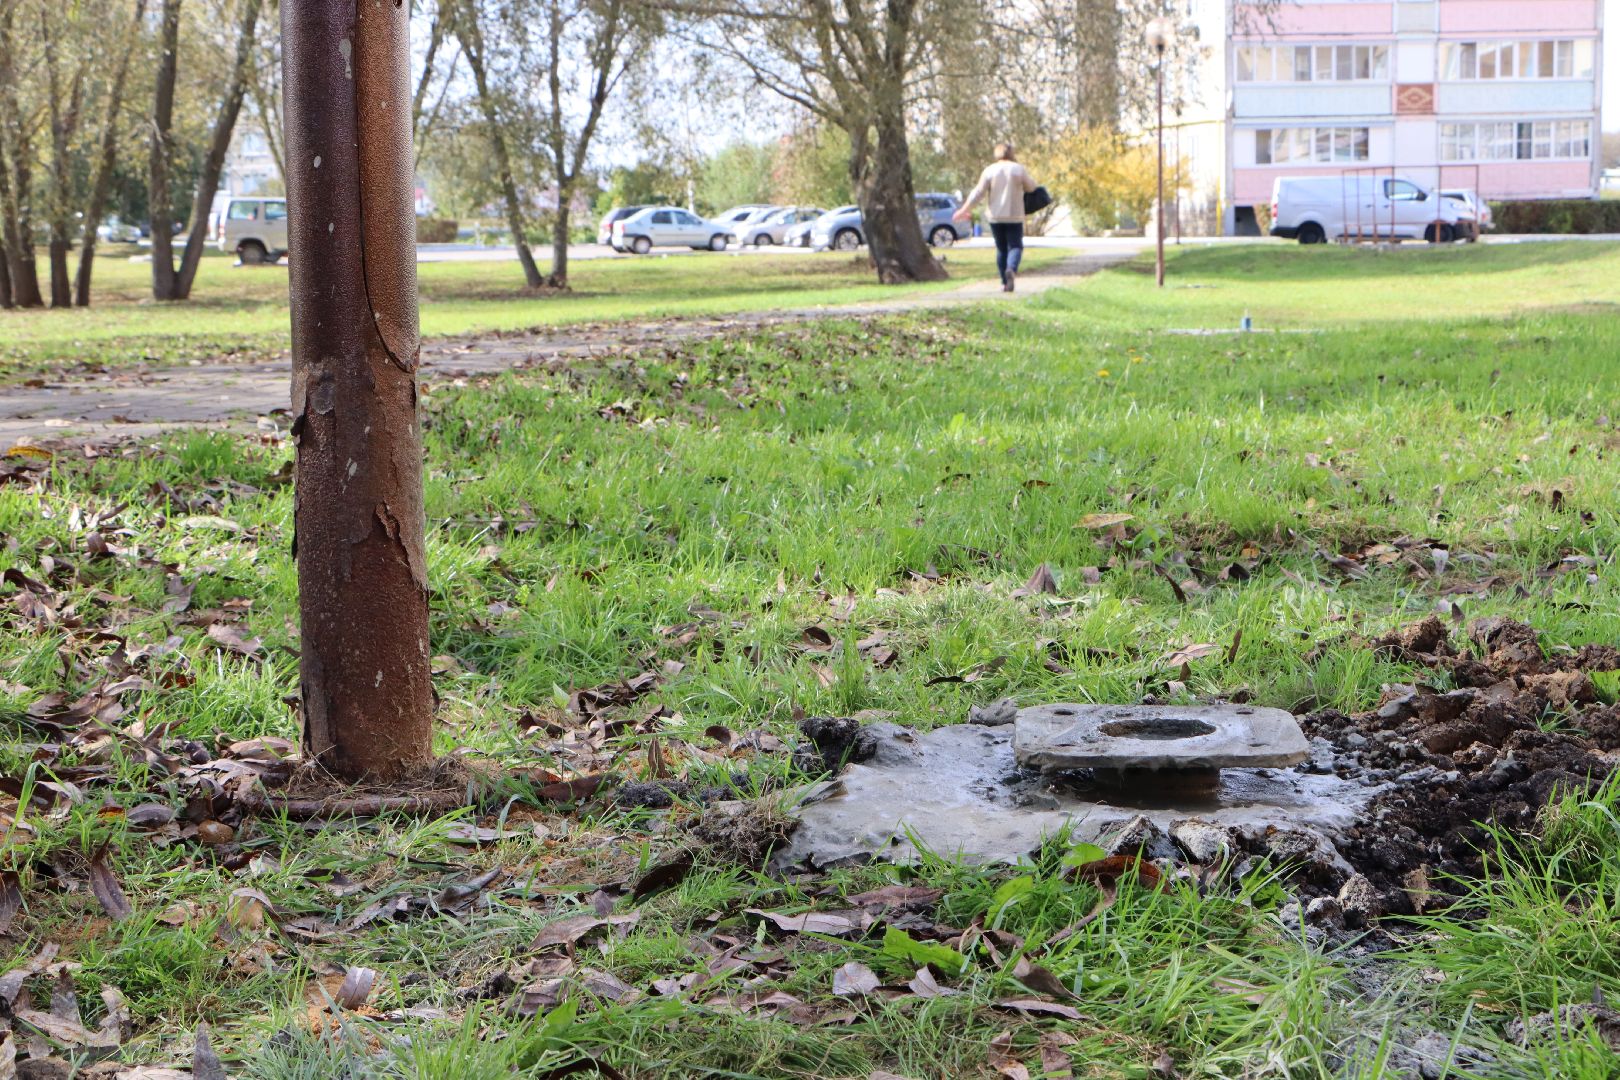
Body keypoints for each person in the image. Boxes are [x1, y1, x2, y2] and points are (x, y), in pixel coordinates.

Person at [953, 143, 1037, 292]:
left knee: (1001, 249)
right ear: (1011, 153)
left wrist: (964, 210)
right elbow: (1031, 187)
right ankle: (1011, 269)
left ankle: (1004, 283)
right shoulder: (1018, 169)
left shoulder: (989, 170)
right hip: (1014, 215)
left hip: (995, 217)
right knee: (1015, 246)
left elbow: (978, 193)